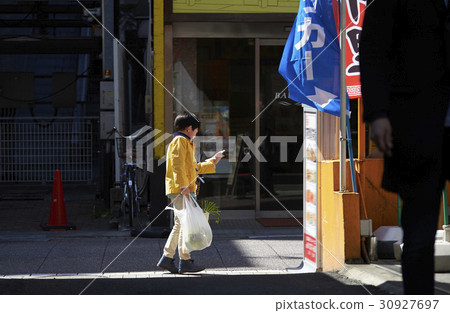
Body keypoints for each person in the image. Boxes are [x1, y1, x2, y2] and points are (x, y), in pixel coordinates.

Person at [360, 0, 450, 294]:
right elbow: (373, 52)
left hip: (420, 126)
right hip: (416, 127)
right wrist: (377, 114)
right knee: (420, 236)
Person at [157, 112, 224, 274]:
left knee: (181, 224)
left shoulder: (183, 141)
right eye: (195, 130)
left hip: (181, 189)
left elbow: (192, 167)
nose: (196, 133)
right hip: (182, 190)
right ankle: (183, 260)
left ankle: (169, 258)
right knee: (183, 224)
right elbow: (177, 165)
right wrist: (182, 186)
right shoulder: (181, 141)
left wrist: (212, 161)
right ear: (188, 129)